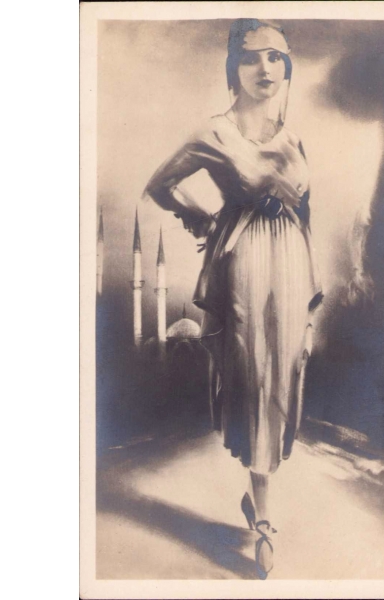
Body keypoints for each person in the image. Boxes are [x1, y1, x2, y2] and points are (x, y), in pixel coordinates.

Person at [143, 18, 323, 579]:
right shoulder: (215, 132)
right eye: (252, 57)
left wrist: (312, 302)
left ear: (286, 67)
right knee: (254, 380)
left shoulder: (292, 138)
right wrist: (201, 217)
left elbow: (305, 217)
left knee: (283, 377)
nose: (265, 68)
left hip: (291, 267)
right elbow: (160, 186)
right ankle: (264, 518)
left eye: (275, 57)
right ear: (234, 67)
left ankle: (258, 496)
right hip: (244, 265)